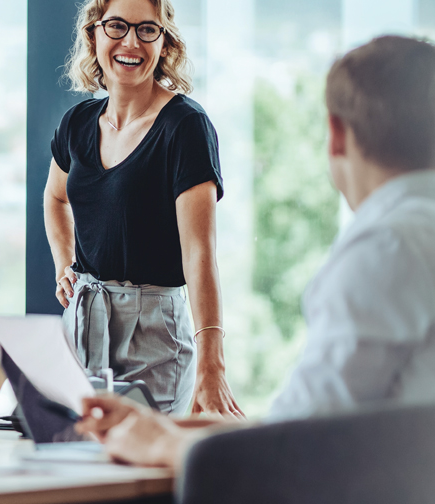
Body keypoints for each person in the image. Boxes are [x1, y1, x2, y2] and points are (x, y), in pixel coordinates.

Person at [76, 35, 435, 467]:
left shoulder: (387, 249)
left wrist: (160, 444)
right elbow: (312, 420)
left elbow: (297, 446)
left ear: (336, 135)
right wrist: (166, 426)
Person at [44, 0, 240, 416]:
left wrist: (213, 363)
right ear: (94, 35)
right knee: (76, 465)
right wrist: (63, 265)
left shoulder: (185, 127)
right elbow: (55, 199)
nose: (130, 41)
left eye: (146, 29)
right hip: (82, 321)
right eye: (116, 26)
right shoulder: (77, 123)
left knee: (142, 474)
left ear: (164, 43)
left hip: (153, 331)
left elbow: (199, 253)